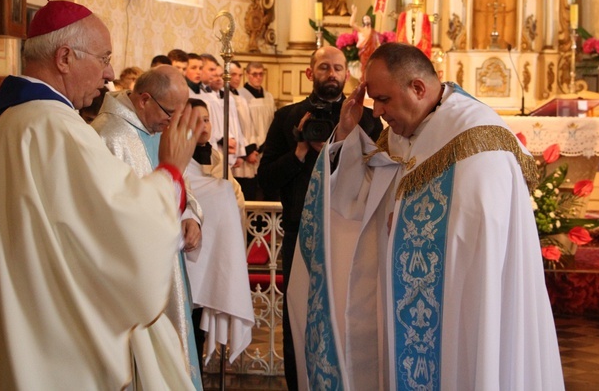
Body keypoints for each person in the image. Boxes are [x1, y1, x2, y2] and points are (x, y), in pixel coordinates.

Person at [288, 42, 564, 390]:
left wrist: (401, 222)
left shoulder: (479, 139)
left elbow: (477, 234)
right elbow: (358, 199)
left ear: (418, 88)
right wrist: (345, 134)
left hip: (460, 311)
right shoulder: (406, 134)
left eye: (383, 99)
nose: (376, 112)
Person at [0, 0, 204, 389]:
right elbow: (123, 230)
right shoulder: (54, 128)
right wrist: (171, 173)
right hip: (48, 337)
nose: (110, 74)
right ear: (64, 58)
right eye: (104, 58)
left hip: (7, 318)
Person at [257, 46, 383, 390]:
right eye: (324, 67)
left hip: (352, 229)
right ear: (310, 72)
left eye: (338, 68)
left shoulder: (369, 118)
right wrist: (300, 150)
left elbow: (379, 173)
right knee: (298, 309)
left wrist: (342, 142)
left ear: (347, 74)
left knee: (348, 307)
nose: (331, 74)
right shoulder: (287, 117)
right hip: (300, 227)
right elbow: (265, 178)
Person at [91, 66, 204, 390]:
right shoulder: (109, 137)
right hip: (133, 280)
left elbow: (179, 183)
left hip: (169, 265)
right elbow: (115, 216)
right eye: (170, 113)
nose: (173, 123)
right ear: (144, 99)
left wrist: (190, 217)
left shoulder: (153, 129)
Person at [183, 98, 253, 371]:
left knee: (200, 323)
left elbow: (232, 194)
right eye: (196, 119)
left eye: (207, 119)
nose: (204, 126)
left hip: (215, 250)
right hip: (191, 251)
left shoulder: (217, 157)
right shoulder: (178, 155)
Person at [238, 61, 276, 200]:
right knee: (250, 190)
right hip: (251, 150)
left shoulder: (269, 96)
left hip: (266, 147)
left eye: (261, 74)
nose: (258, 77)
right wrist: (249, 150)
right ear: (247, 75)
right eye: (254, 74)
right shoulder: (240, 96)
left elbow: (272, 122)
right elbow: (241, 125)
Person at [229, 61, 260, 200]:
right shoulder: (224, 99)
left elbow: (250, 125)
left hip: (247, 152)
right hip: (237, 156)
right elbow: (233, 128)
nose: (237, 78)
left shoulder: (240, 98)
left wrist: (252, 149)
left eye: (240, 75)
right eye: (233, 74)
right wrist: (243, 153)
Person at [349, 4, 381, 77]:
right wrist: (354, 12)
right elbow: (351, 23)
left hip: (372, 53)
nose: (367, 20)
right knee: (364, 69)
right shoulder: (361, 30)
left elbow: (378, 43)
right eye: (365, 19)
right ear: (363, 21)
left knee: (372, 68)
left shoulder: (374, 32)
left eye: (368, 19)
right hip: (364, 53)